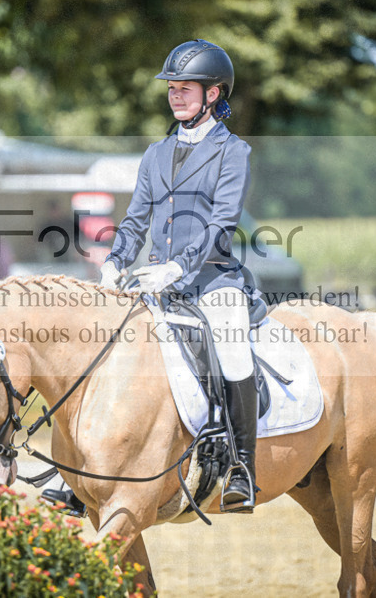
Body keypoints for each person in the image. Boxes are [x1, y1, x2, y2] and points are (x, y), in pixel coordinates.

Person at [43, 39, 261, 515]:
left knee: (232, 348)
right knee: (102, 344)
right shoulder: (156, 153)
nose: (175, 95)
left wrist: (179, 266)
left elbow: (222, 223)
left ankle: (242, 467)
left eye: (186, 88)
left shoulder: (233, 152)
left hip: (212, 281)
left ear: (213, 94)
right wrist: (115, 261)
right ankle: (76, 471)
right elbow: (135, 219)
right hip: (154, 280)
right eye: (171, 88)